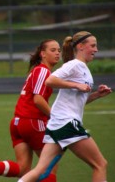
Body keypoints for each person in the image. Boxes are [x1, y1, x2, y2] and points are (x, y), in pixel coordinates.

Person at [18, 31, 112, 182]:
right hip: (67, 123)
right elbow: (50, 80)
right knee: (100, 164)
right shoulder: (74, 65)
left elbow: (77, 100)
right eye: (93, 46)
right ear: (80, 46)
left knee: (40, 170)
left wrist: (97, 95)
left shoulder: (83, 68)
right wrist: (76, 85)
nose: (96, 49)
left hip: (57, 124)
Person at [0, 39, 61, 181]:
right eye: (53, 50)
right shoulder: (43, 70)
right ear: (43, 54)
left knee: (23, 169)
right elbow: (38, 99)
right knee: (49, 167)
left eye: (59, 50)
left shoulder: (38, 70)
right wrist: (57, 117)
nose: (57, 53)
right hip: (33, 123)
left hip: (18, 123)